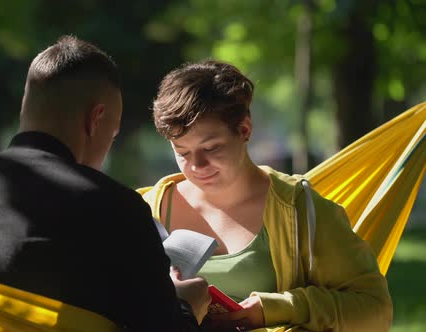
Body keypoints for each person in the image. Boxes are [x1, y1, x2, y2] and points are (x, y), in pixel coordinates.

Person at [0, 36, 211, 331]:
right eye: (114, 133)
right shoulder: (112, 209)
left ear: (25, 110)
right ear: (95, 119)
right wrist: (187, 306)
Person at [139, 60, 393, 331]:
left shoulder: (298, 208)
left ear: (244, 130)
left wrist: (276, 309)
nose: (196, 166)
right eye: (182, 152)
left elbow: (374, 309)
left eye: (211, 148)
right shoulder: (146, 209)